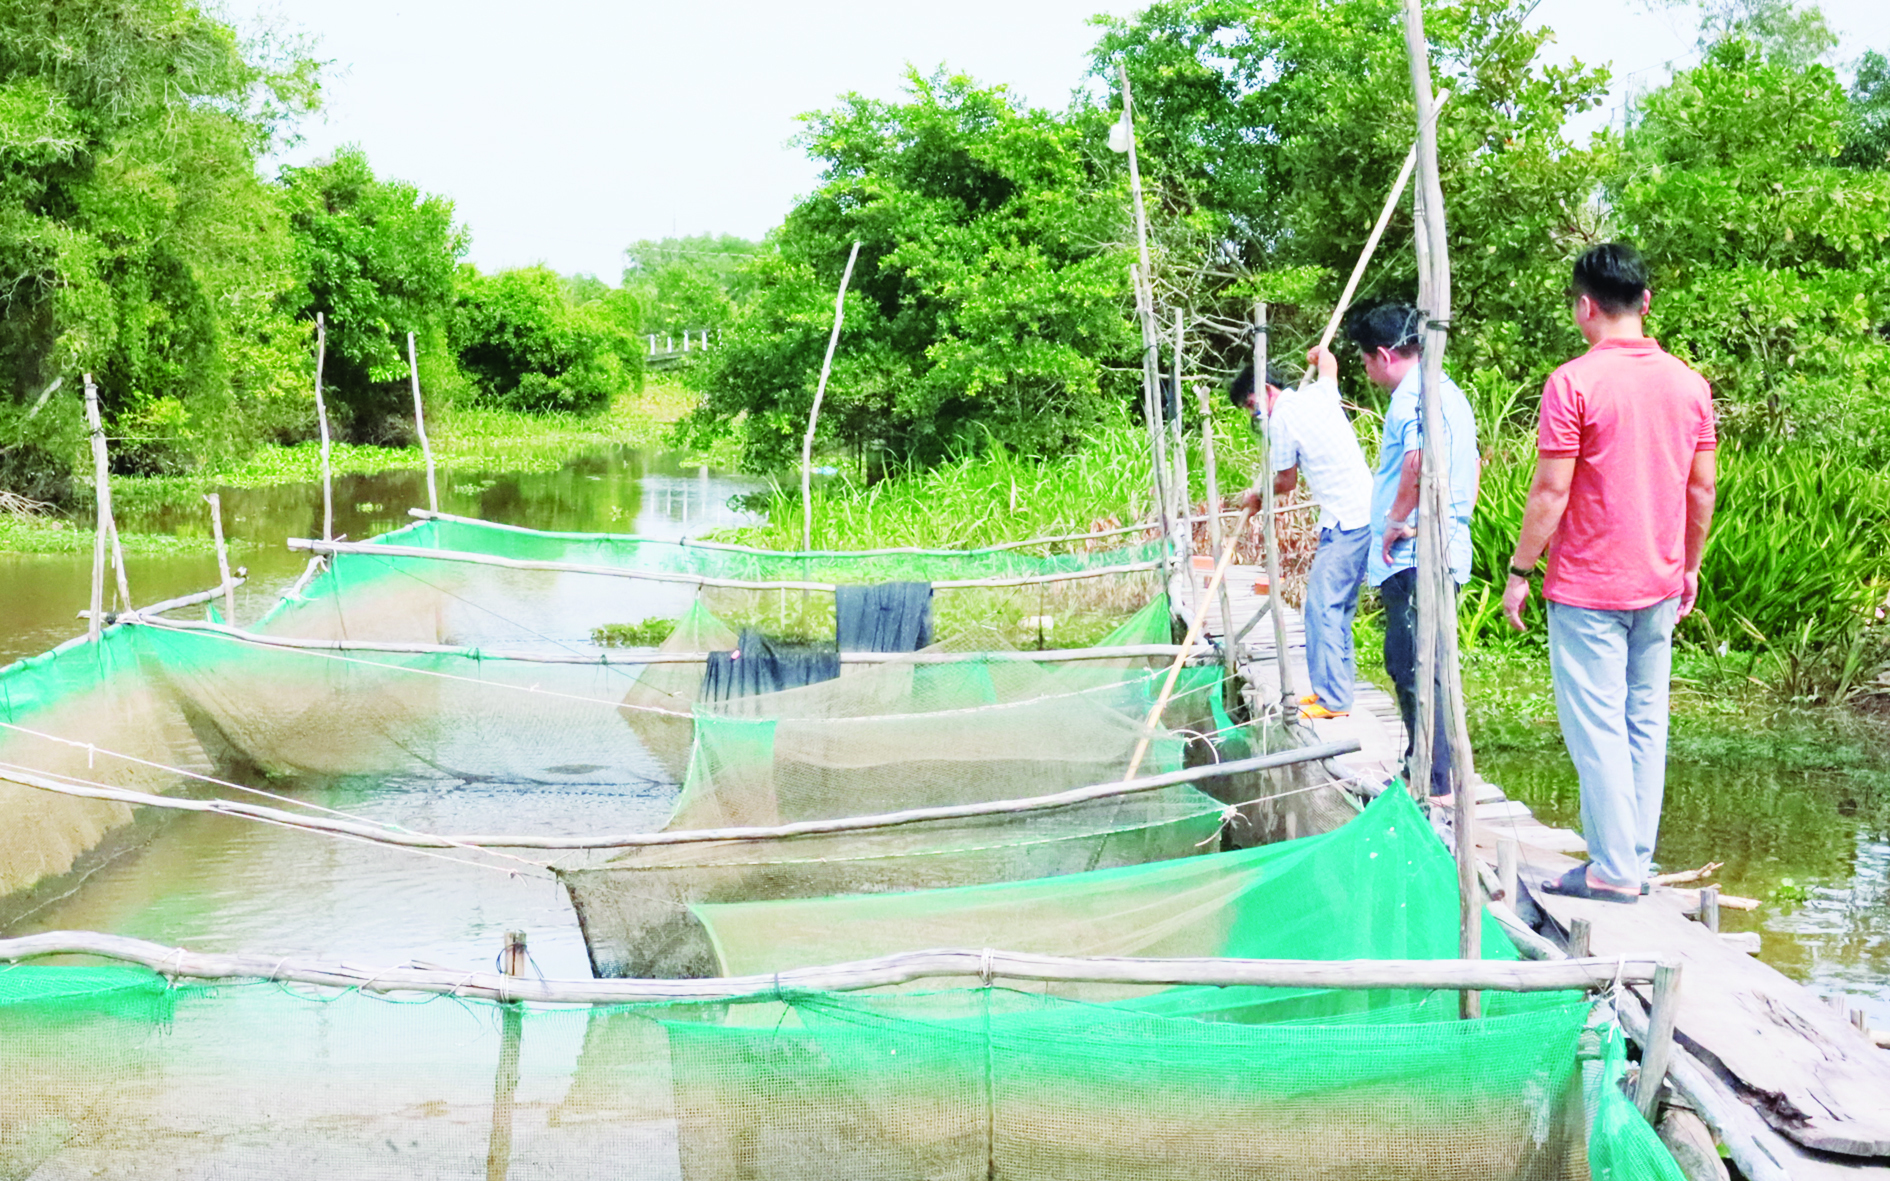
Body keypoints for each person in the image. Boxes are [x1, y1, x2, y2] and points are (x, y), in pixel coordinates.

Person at [1503, 242, 1717, 905]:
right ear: (1645, 302)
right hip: (1658, 580)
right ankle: (1629, 860)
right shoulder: (1690, 384)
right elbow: (1702, 489)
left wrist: (1519, 569)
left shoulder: (1574, 382)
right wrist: (1690, 565)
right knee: (1645, 723)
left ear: (1585, 306)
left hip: (1589, 586)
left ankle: (1615, 872)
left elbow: (1549, 493)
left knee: (1597, 725)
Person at [1350, 302, 1479, 797]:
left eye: (1365, 361)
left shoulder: (1412, 397)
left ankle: (1431, 771)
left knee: (1410, 661)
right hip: (1444, 545)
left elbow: (1417, 460)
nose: (1366, 371)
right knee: (1426, 659)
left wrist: (1396, 522)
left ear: (1384, 355)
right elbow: (1472, 464)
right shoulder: (1450, 393)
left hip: (1414, 554)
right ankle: (1427, 764)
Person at [1235, 347, 1374, 718]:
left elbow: (1285, 481)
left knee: (1321, 607)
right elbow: (1329, 367)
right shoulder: (1319, 395)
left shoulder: (1281, 420)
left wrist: (1254, 496)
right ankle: (1334, 693)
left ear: (1266, 391)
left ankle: (1332, 699)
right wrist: (1322, 353)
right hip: (1356, 515)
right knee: (1336, 609)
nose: (1253, 415)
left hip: (1350, 520)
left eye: (1251, 405)